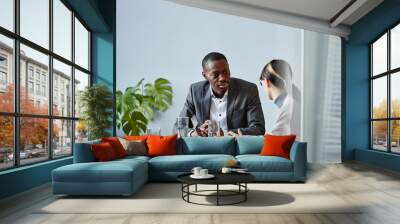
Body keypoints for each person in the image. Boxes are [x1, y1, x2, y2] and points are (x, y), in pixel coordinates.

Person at [179, 52, 265, 137]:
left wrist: (224, 133)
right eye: (215, 74)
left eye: (225, 72)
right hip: (204, 146)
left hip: (235, 147)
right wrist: (193, 133)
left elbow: (258, 128)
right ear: (205, 75)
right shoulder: (195, 91)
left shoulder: (248, 90)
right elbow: (180, 126)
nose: (222, 78)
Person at [230, 59, 294, 136]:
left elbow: (272, 143)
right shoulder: (292, 101)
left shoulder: (287, 107)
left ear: (267, 82)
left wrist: (243, 140)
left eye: (261, 83)